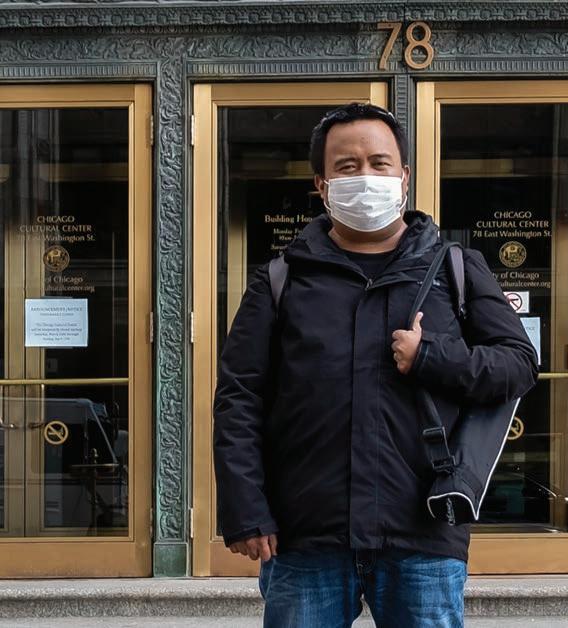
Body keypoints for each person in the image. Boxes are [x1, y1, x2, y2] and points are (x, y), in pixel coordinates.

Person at [213, 103, 538, 627]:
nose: (365, 176)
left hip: (422, 530)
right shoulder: (280, 280)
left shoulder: (455, 268)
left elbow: (518, 364)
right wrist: (245, 508)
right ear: (322, 185)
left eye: (379, 163)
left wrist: (431, 357)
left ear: (403, 176)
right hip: (306, 535)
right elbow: (239, 399)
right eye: (347, 166)